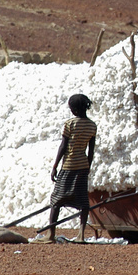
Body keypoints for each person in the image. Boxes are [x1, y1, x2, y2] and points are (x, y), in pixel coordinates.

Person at [36, 94, 97, 243]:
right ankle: (81, 235)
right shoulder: (92, 126)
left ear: (74, 109)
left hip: (69, 166)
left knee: (56, 199)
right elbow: (91, 150)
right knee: (83, 202)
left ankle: (50, 235)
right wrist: (88, 166)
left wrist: (55, 166)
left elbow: (63, 146)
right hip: (83, 166)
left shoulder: (70, 124)